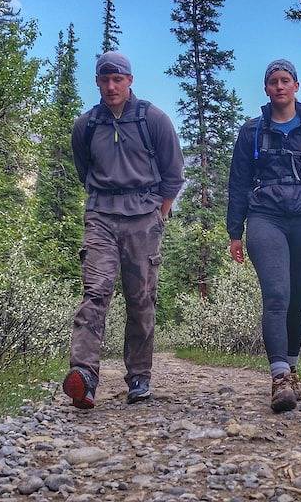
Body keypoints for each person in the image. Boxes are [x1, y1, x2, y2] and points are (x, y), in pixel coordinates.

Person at [64, 51, 184, 409]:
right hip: (101, 215)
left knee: (140, 297)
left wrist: (158, 214)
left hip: (144, 217)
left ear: (130, 80)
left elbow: (174, 175)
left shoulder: (154, 120)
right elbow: (83, 171)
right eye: (105, 79)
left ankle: (139, 378)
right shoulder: (86, 125)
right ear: (98, 82)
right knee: (95, 292)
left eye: (118, 79)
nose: (112, 86)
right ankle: (83, 376)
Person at [226, 59, 301, 413]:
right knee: (276, 294)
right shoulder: (251, 132)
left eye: (285, 80)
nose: (279, 86)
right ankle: (279, 377)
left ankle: (292, 369)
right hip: (265, 218)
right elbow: (238, 183)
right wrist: (235, 232)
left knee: (298, 299)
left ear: (296, 86)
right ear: (266, 89)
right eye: (273, 81)